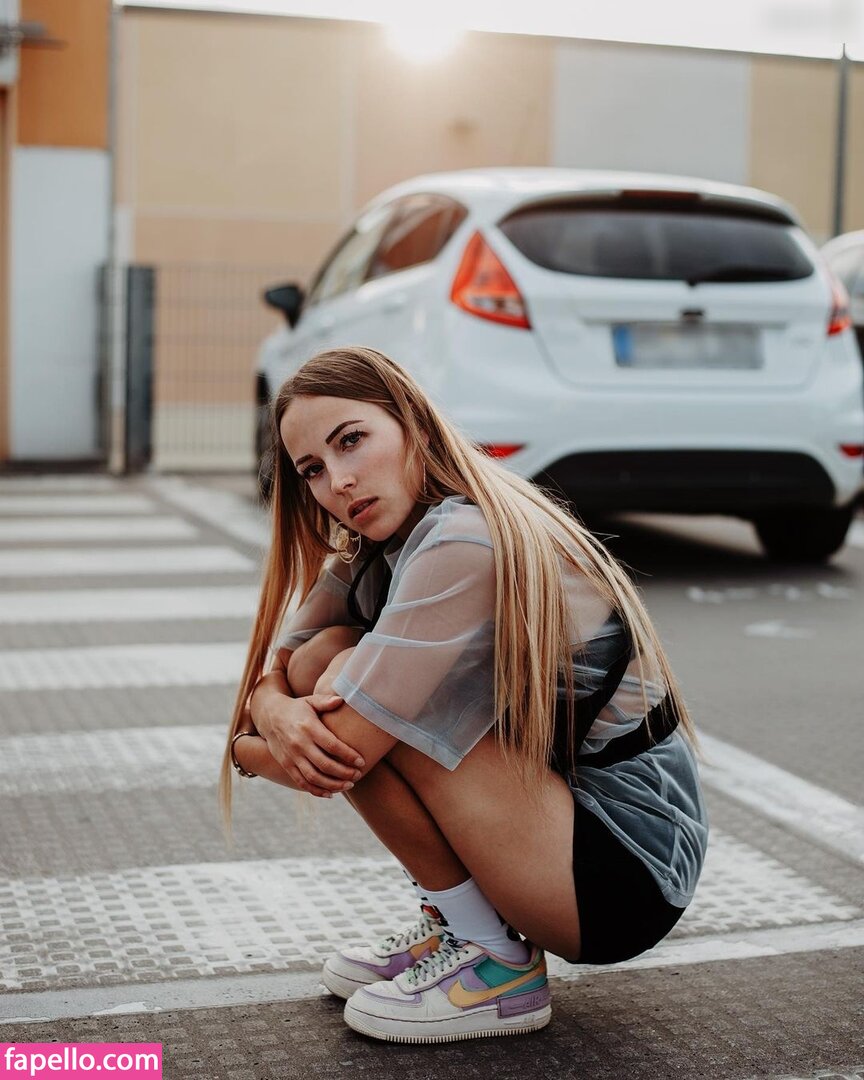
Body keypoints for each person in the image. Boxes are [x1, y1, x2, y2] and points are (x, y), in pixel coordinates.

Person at [219, 346, 708, 1045]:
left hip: (624, 868)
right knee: (328, 662)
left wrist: (247, 748)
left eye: (351, 440)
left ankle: (496, 960)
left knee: (350, 689)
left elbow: (340, 751)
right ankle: (459, 923)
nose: (339, 481)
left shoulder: (463, 538)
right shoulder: (375, 544)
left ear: (414, 422)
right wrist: (271, 708)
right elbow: (283, 667)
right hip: (561, 822)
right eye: (313, 470)